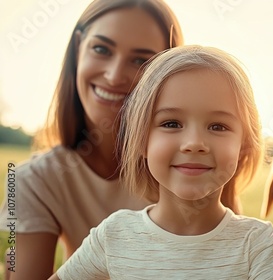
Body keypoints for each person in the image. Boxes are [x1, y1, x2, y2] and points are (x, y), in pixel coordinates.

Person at [48, 45, 273, 280]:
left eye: (218, 126)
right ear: (142, 140)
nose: (194, 143)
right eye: (171, 123)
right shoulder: (114, 235)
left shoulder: (255, 242)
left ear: (244, 146)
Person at [0, 0, 184, 279]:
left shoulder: (195, 161)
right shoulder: (33, 181)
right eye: (101, 49)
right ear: (78, 47)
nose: (113, 75)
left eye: (140, 60)